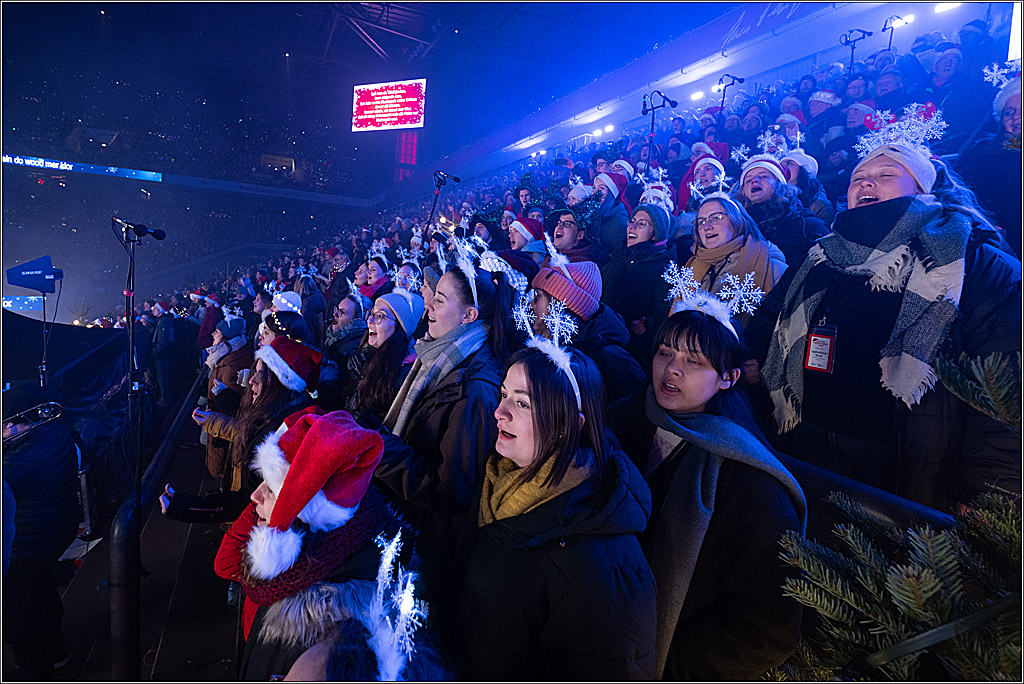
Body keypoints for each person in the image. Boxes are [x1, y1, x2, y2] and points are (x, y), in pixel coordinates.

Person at [744, 140, 1022, 510]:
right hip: (805, 442)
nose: (866, 184)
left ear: (922, 189)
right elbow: (769, 320)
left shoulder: (975, 265)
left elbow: (1004, 391)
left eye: (885, 175)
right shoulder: (820, 257)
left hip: (906, 465)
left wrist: (987, 493)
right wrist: (746, 360)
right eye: (859, 178)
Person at [609, 308, 806, 680]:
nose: (672, 369)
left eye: (693, 361)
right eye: (665, 352)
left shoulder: (750, 479)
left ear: (729, 378)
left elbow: (767, 629)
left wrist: (671, 662)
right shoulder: (623, 421)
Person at [456, 347, 657, 680]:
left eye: (522, 403)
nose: (499, 412)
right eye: (504, 394)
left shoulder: (605, 572)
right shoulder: (500, 478)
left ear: (567, 425)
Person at [213, 410, 401, 680]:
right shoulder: (299, 572)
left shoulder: (324, 657)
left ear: (308, 514)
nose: (255, 496)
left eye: (273, 489)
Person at [371, 259, 513, 612]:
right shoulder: (437, 359)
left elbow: (454, 491)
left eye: (440, 299)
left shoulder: (476, 389)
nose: (429, 306)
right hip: (409, 528)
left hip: (428, 550)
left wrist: (383, 450)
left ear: (468, 316)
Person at [161, 336, 321, 524]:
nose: (251, 380)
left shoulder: (278, 437)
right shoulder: (278, 415)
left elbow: (246, 502)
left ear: (280, 383)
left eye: (260, 375)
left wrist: (184, 506)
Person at [2, 383, 80, 680]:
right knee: (43, 591)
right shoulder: (55, 432)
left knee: (17, 616)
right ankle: (57, 650)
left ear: (13, 424)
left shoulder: (22, 459)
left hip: (26, 547)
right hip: (54, 532)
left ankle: (34, 668)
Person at [531, 259, 646, 403]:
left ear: (560, 303)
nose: (531, 305)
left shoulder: (615, 363)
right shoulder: (547, 346)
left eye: (537, 297)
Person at [683, 194, 787, 326]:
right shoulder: (692, 266)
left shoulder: (772, 269)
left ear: (737, 220)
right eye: (701, 221)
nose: (706, 226)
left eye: (716, 218)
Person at [600, 203, 674, 366]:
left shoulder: (663, 269)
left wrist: (648, 322)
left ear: (656, 233)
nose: (631, 227)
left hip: (632, 353)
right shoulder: (616, 258)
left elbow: (665, 316)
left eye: (641, 224)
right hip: (605, 343)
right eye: (631, 221)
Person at [956, 75, 1021, 258]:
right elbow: (963, 189)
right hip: (982, 236)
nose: (1016, 117)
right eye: (1009, 112)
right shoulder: (981, 149)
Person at [731, 155, 829, 269]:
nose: (754, 180)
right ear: (742, 192)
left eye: (763, 176)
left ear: (779, 184)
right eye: (748, 180)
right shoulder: (737, 227)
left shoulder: (808, 226)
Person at [344, 290, 423, 417]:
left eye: (380, 316)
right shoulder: (365, 357)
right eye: (372, 313)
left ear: (399, 327)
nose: (369, 320)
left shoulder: (404, 374)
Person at [203, 313, 254, 486]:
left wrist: (219, 397)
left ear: (226, 338)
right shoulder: (230, 355)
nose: (212, 334)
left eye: (216, 332)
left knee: (225, 469)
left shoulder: (231, 365)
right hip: (221, 425)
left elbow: (235, 407)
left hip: (223, 429)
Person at [781, 149, 836, 225]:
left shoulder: (820, 205)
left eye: (789, 163)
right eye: (781, 164)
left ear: (805, 170)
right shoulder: (777, 195)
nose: (782, 167)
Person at [150, 300, 177, 407]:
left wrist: (154, 351)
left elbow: (163, 341)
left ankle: (165, 398)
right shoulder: (164, 320)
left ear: (160, 311)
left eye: (155, 309)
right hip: (163, 354)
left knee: (162, 377)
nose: (153, 310)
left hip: (162, 355)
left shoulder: (164, 322)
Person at [294, 274, 327, 348]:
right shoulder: (319, 298)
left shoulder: (305, 307)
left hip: (309, 344)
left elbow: (306, 331)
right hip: (319, 338)